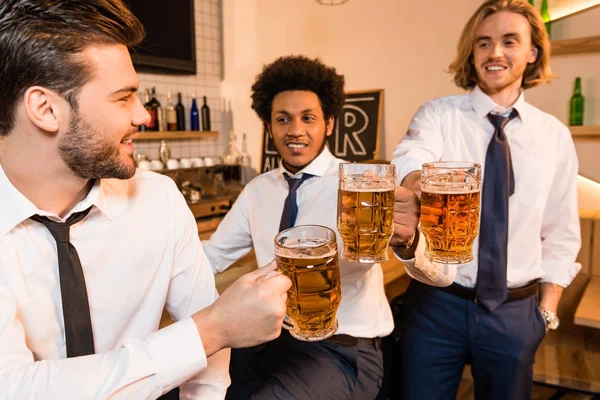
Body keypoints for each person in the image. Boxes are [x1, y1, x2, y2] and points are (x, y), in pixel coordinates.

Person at [0, 1, 291, 399]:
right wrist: (210, 329)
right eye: (123, 98)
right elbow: (11, 387)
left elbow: (209, 362)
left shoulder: (159, 200)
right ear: (45, 108)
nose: (144, 116)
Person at [389, 0, 581, 399]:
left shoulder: (554, 136)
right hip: (436, 305)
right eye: (483, 43)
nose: (495, 53)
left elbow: (561, 231)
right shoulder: (438, 115)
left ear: (532, 53)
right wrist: (416, 181)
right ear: (472, 53)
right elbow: (412, 154)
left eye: (509, 41)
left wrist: (545, 314)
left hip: (515, 311)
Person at [203, 55, 412, 400]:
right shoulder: (259, 189)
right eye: (282, 119)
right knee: (188, 385)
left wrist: (406, 241)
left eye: (308, 118)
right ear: (269, 127)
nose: (295, 130)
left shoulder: (360, 185)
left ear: (329, 124)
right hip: (268, 338)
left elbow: (408, 253)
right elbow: (214, 254)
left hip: (342, 348)